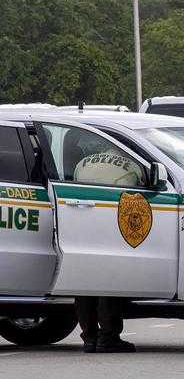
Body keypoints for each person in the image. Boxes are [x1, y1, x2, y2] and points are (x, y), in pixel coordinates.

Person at [72, 143, 142, 353]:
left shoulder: (82, 163)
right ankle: (108, 336)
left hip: (80, 224)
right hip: (111, 223)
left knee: (84, 282)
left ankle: (89, 338)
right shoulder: (133, 166)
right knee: (108, 282)